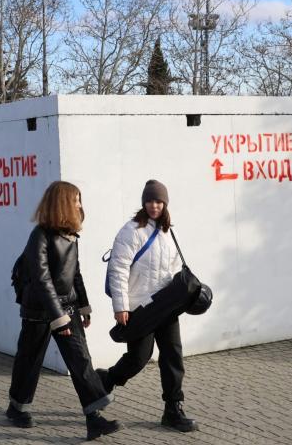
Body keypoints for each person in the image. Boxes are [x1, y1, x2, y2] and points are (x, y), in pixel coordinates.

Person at [6, 180, 121, 441]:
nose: (80, 204)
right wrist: (58, 316)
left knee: (80, 360)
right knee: (29, 360)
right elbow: (41, 279)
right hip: (39, 310)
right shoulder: (40, 236)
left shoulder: (71, 235)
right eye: (76, 199)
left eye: (80, 199)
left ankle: (94, 419)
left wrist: (83, 306)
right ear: (62, 203)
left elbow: (75, 273)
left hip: (66, 307)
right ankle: (16, 407)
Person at [97, 179, 198, 432]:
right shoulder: (131, 231)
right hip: (139, 307)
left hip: (165, 306)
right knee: (139, 358)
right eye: (150, 201)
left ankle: (173, 409)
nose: (154, 205)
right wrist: (121, 307)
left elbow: (173, 270)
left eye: (159, 201)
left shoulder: (167, 232)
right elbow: (118, 269)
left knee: (173, 355)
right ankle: (106, 379)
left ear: (165, 204)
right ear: (144, 203)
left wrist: (179, 297)